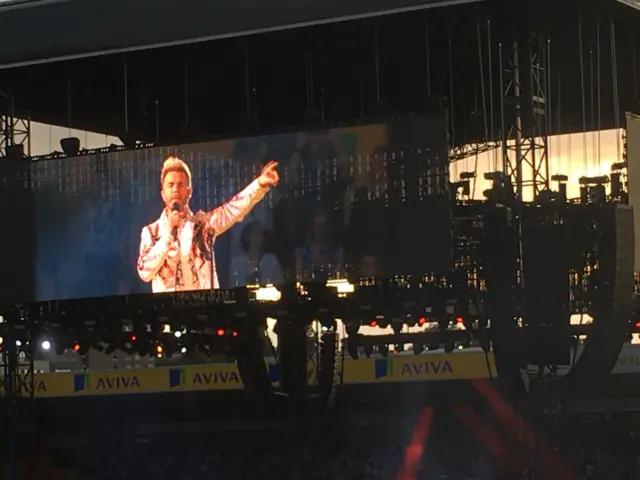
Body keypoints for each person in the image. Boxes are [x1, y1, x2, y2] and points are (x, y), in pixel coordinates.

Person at [137, 157, 279, 292]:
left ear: (189, 192)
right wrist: (168, 235)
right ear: (163, 194)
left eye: (180, 184)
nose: (175, 189)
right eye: (170, 185)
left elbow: (233, 209)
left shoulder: (204, 225)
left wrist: (259, 184)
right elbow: (144, 273)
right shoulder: (151, 232)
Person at [228, 220, 283, 287]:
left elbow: (280, 285)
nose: (260, 234)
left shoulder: (271, 260)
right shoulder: (237, 263)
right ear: (248, 236)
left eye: (261, 232)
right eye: (257, 231)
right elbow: (232, 287)